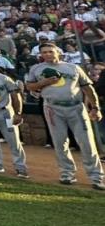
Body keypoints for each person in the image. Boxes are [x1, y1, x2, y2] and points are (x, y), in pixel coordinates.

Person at [24, 43, 103, 190]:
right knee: (60, 142)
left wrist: (95, 107)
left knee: (86, 143)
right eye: (44, 52)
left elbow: (87, 87)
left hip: (76, 106)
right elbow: (29, 87)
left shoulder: (73, 67)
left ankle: (96, 177)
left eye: (50, 51)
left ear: (57, 52)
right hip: (52, 107)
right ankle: (67, 173)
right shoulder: (36, 69)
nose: (47, 54)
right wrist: (45, 82)